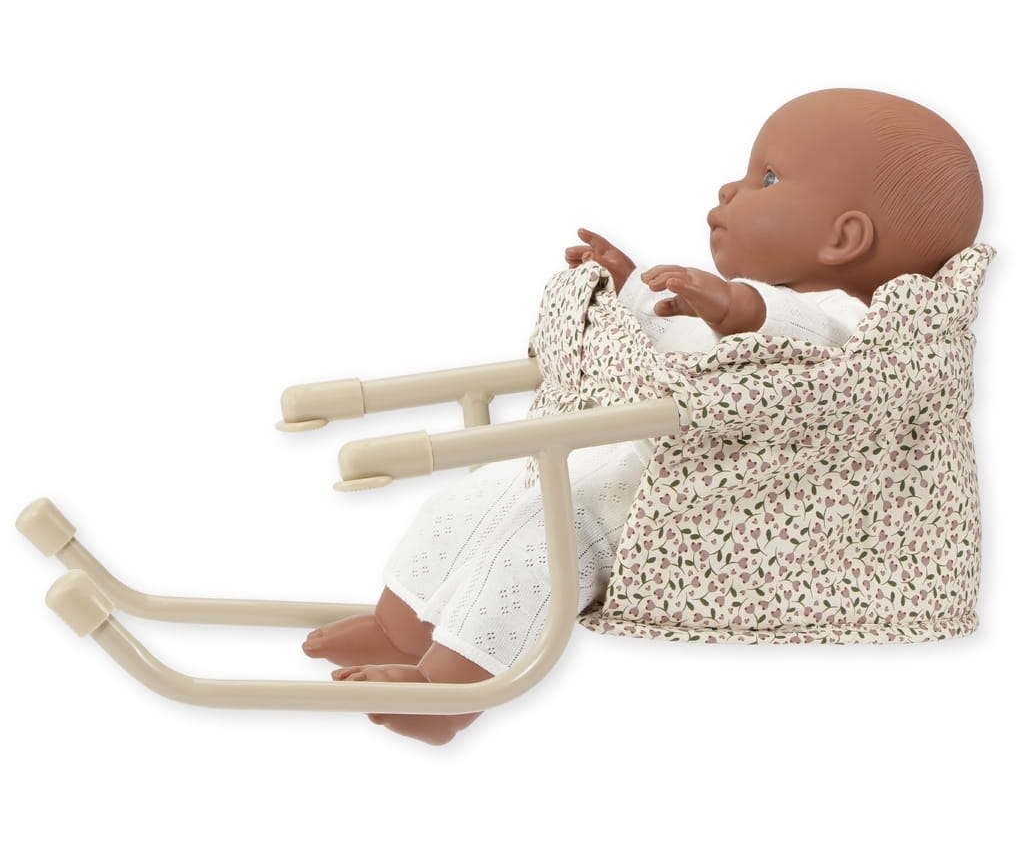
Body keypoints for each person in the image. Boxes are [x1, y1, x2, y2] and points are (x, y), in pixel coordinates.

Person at [302, 88, 983, 744]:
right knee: (468, 503)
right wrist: (629, 287)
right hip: (627, 448)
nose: (730, 189)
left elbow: (798, 338)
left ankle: (449, 698)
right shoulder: (735, 302)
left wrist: (736, 305)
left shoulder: (856, 323)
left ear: (845, 238)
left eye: (767, 178)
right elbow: (666, 341)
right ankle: (401, 629)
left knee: (533, 555)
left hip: (679, 499)